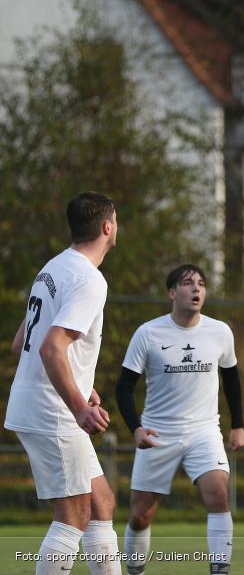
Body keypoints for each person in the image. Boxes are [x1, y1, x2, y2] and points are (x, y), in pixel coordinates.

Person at [4, 192, 121, 575]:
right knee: (74, 515)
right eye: (116, 221)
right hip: (52, 410)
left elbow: (21, 341)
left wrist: (81, 384)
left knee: (101, 502)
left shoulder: (53, 267)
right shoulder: (90, 279)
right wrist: (79, 406)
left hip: (37, 402)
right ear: (108, 227)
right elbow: (51, 348)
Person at [115, 264, 244, 575]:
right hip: (157, 434)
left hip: (204, 431)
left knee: (218, 494)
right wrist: (135, 429)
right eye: (188, 283)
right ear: (172, 292)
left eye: (201, 283)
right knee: (140, 516)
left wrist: (238, 425)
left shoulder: (220, 332)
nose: (196, 289)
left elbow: (232, 380)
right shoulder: (148, 333)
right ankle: (134, 570)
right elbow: (123, 388)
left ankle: (219, 570)